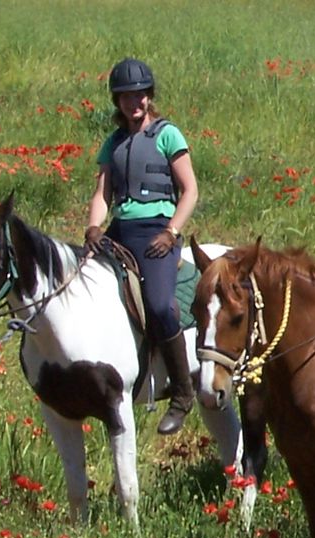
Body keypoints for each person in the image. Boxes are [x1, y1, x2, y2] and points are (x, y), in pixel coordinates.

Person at [83, 57, 200, 435]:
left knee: (160, 305)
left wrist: (171, 231)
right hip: (120, 230)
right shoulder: (113, 142)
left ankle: (182, 392)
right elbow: (102, 193)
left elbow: (190, 190)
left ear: (149, 97)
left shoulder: (168, 135)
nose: (133, 102)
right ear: (117, 101)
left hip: (157, 232)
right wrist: (93, 227)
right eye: (125, 97)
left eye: (139, 95)